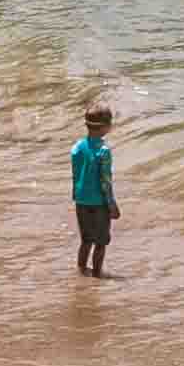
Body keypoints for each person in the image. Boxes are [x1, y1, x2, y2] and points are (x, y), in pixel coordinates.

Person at [69, 100, 118, 278]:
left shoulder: (77, 148)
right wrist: (111, 205)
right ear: (105, 127)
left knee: (86, 240)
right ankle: (97, 274)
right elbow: (105, 181)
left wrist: (76, 196)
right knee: (101, 242)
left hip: (81, 201)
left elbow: (75, 176)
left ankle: (81, 270)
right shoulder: (104, 151)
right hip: (99, 204)